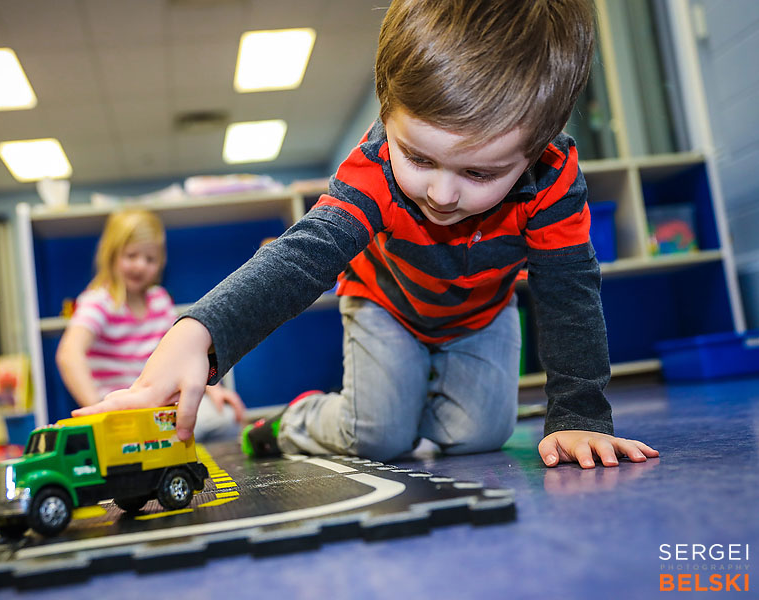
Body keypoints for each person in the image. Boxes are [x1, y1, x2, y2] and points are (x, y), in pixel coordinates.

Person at [73, 0, 659, 469]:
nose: (442, 195)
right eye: (420, 159)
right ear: (387, 103)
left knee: (479, 437)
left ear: (537, 145)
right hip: (385, 303)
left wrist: (579, 414)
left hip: (481, 314)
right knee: (378, 436)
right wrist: (199, 332)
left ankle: (415, 405)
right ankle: (294, 421)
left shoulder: (553, 178)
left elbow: (569, 292)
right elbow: (303, 258)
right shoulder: (375, 167)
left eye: (479, 173)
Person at [56, 207, 245, 440]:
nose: (140, 266)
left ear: (161, 263)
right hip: (124, 411)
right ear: (112, 255)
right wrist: (97, 409)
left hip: (162, 405)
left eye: (150, 259)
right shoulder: (100, 301)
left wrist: (214, 390)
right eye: (131, 256)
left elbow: (185, 353)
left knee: (225, 419)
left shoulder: (160, 300)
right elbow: (69, 355)